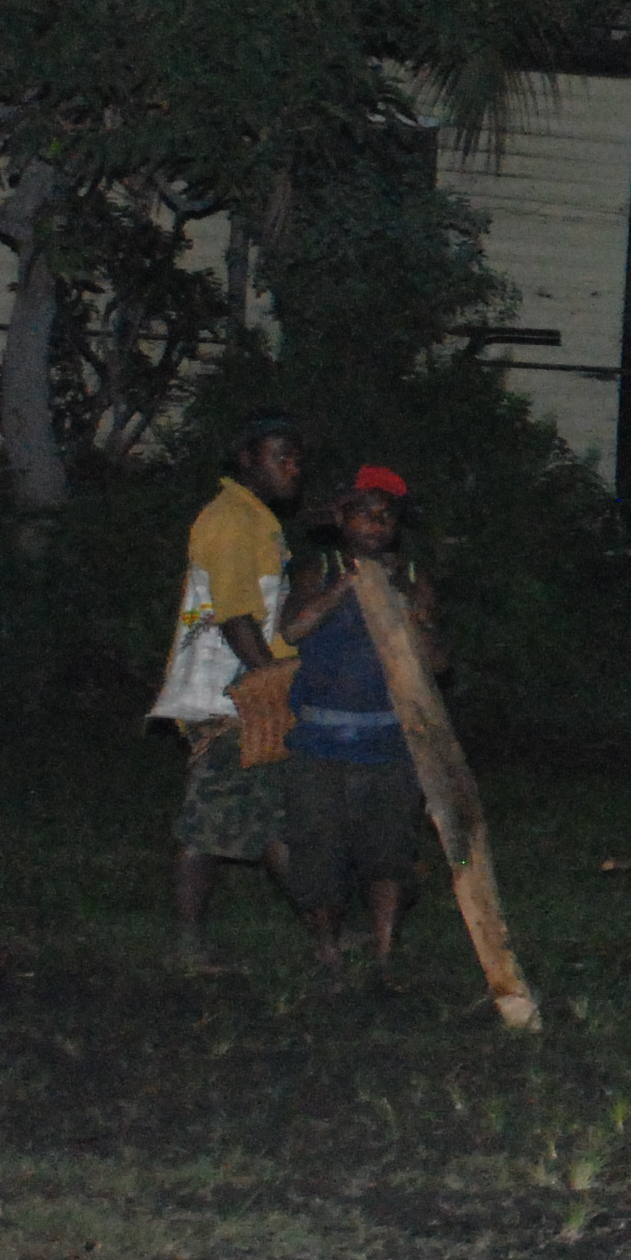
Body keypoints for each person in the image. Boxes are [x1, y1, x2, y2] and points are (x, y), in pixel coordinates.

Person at [152, 415, 305, 972]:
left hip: (240, 696)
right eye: (279, 456)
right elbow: (236, 615)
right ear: (247, 459)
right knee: (209, 823)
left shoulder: (254, 519)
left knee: (277, 822)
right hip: (227, 701)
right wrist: (271, 688)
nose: (292, 468)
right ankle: (189, 945)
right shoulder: (233, 520)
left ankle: (329, 931)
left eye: (296, 459)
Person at [276, 468, 438, 979]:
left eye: (385, 515)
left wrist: (416, 618)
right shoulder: (317, 571)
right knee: (317, 852)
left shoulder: (410, 577)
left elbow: (440, 664)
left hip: (390, 739)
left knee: (388, 853)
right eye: (365, 512)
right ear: (341, 518)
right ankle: (328, 952)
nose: (376, 523)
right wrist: (346, 586)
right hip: (319, 741)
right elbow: (293, 629)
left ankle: (385, 956)